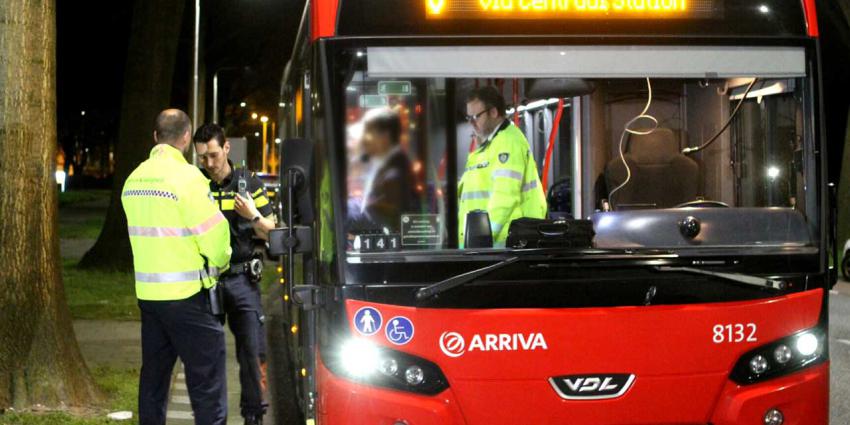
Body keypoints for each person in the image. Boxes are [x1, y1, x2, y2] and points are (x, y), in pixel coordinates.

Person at [122, 109, 231, 425]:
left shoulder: (133, 180)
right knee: (206, 383)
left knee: (154, 380)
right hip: (188, 299)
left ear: (155, 137)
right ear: (186, 139)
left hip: (149, 299)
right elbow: (215, 237)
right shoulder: (188, 179)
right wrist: (221, 261)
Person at [193, 123, 275, 425]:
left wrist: (252, 215)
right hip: (206, 281)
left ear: (226, 148)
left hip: (241, 281)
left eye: (213, 155)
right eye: (202, 157)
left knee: (252, 356)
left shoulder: (249, 184)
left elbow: (274, 234)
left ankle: (253, 417)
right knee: (207, 360)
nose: (209, 163)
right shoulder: (196, 185)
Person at [458, 86, 547, 246]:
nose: (472, 123)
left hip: (500, 242)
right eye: (468, 118)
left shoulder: (508, 142)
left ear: (493, 112)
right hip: (482, 241)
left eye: (476, 117)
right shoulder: (487, 145)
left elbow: (505, 197)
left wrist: (482, 238)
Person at [356, 107, 418, 231]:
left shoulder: (395, 173)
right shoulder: (382, 164)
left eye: (368, 131)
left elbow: (385, 216)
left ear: (385, 137)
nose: (363, 138)